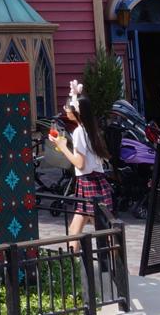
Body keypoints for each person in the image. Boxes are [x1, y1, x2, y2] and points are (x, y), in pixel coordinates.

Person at [48, 94, 110, 239]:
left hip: (88, 183)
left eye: (67, 107)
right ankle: (75, 256)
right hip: (94, 181)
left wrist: (62, 147)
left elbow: (80, 164)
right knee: (75, 231)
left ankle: (116, 254)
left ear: (77, 111)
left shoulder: (79, 132)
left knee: (104, 233)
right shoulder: (91, 129)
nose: (65, 109)